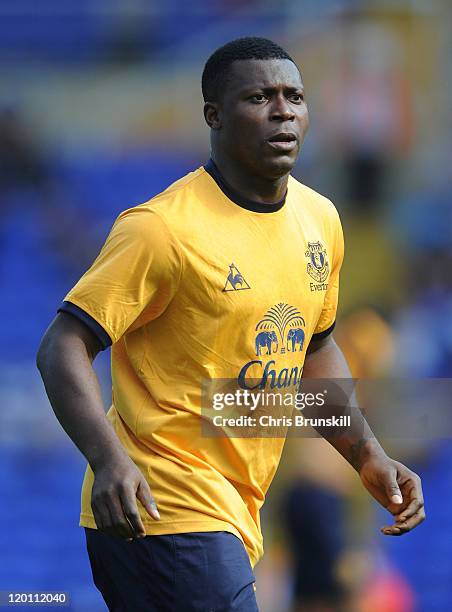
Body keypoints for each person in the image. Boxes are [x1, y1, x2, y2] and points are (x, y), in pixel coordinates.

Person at [37, 37, 425, 612]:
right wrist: (107, 458)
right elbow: (62, 346)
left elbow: (314, 353)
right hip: (160, 505)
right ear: (213, 115)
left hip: (234, 514)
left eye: (294, 96)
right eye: (259, 97)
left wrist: (367, 454)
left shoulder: (320, 220)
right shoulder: (161, 230)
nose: (283, 110)